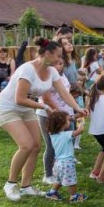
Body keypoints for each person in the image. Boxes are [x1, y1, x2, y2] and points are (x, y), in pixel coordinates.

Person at [0, 37, 87, 202]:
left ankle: (26, 186)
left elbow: (64, 93)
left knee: (36, 146)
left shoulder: (51, 71)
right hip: (7, 108)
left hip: (26, 109)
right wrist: (44, 107)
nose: (60, 59)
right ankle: (10, 184)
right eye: (58, 55)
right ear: (48, 54)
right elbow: (19, 99)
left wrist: (78, 108)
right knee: (26, 145)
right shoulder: (27, 70)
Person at [36, 55, 73, 185]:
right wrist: (61, 113)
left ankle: (59, 168)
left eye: (61, 63)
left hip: (64, 114)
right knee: (51, 145)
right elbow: (46, 99)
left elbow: (66, 94)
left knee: (65, 142)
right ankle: (48, 174)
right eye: (56, 63)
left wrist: (74, 109)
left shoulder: (61, 76)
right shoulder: (46, 78)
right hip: (48, 115)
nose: (59, 66)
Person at [44, 111, 88, 203]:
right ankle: (74, 196)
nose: (70, 122)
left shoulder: (52, 135)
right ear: (62, 124)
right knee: (71, 181)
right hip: (67, 163)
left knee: (59, 179)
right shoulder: (66, 135)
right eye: (68, 120)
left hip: (57, 163)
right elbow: (80, 130)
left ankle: (52, 192)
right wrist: (81, 122)